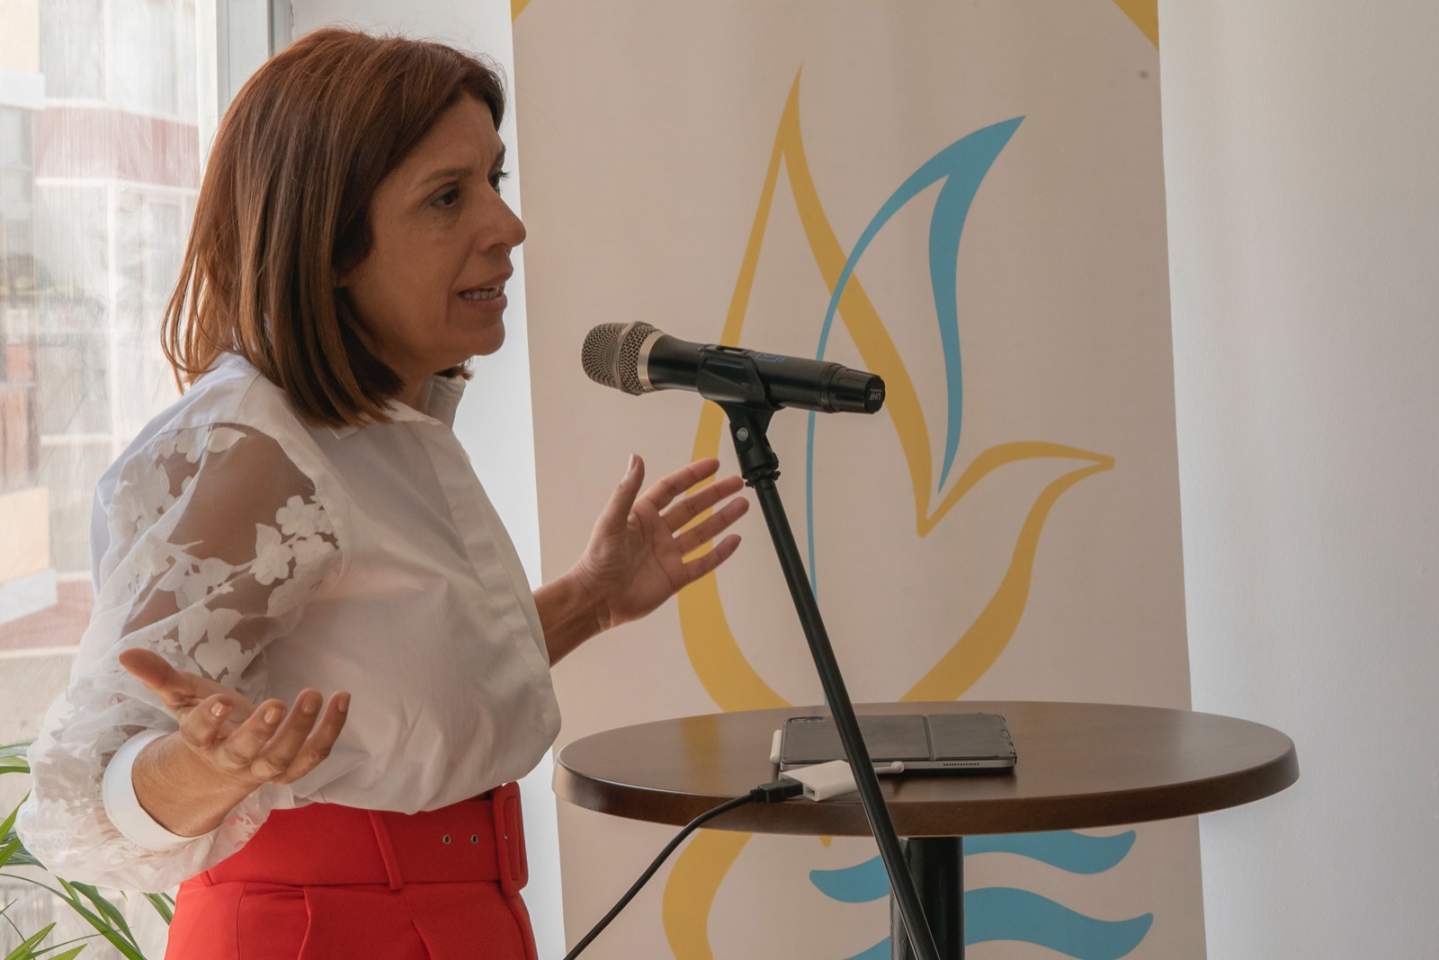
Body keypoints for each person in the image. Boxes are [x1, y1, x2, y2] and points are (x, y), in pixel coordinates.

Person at [14, 27, 749, 960]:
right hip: (318, 933)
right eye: (448, 196)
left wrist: (591, 599)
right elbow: (85, 802)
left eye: (494, 179)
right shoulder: (253, 451)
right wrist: (209, 769)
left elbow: (401, 703)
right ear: (328, 243)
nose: (507, 226)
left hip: (458, 919)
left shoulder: (383, 426)